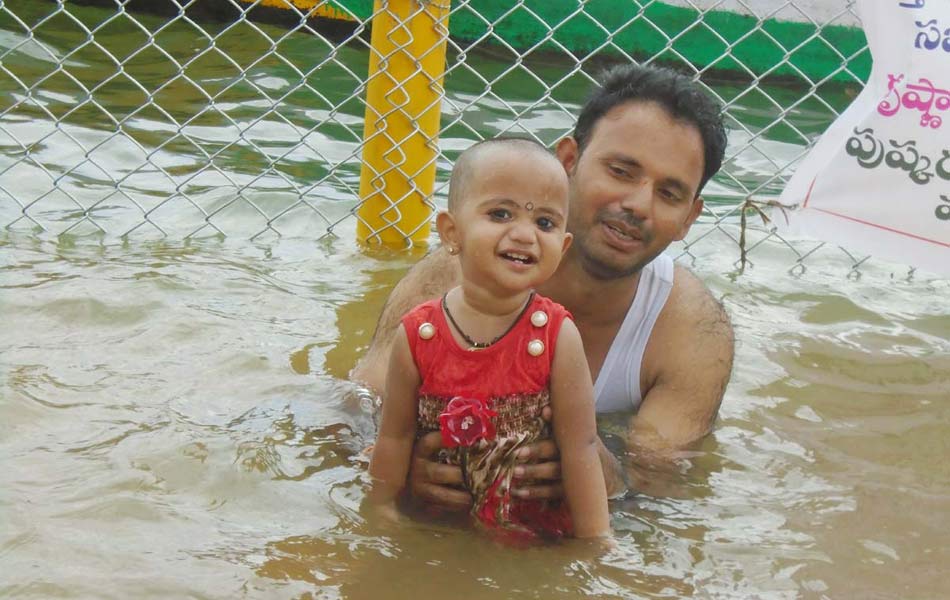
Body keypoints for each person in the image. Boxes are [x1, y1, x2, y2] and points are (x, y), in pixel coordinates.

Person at [353, 63, 734, 510]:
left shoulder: (691, 331)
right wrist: (398, 462)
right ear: (568, 160)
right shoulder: (456, 274)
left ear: (690, 217)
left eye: (669, 194)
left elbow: (661, 476)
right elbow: (358, 404)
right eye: (621, 171)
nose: (637, 205)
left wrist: (602, 471)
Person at [367, 138, 610, 540]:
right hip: (437, 523)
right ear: (451, 231)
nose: (525, 235)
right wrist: (380, 512)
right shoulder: (417, 335)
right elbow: (394, 437)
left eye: (545, 223)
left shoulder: (556, 336)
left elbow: (581, 447)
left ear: (563, 247)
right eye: (500, 214)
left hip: (531, 529)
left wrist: (596, 543)